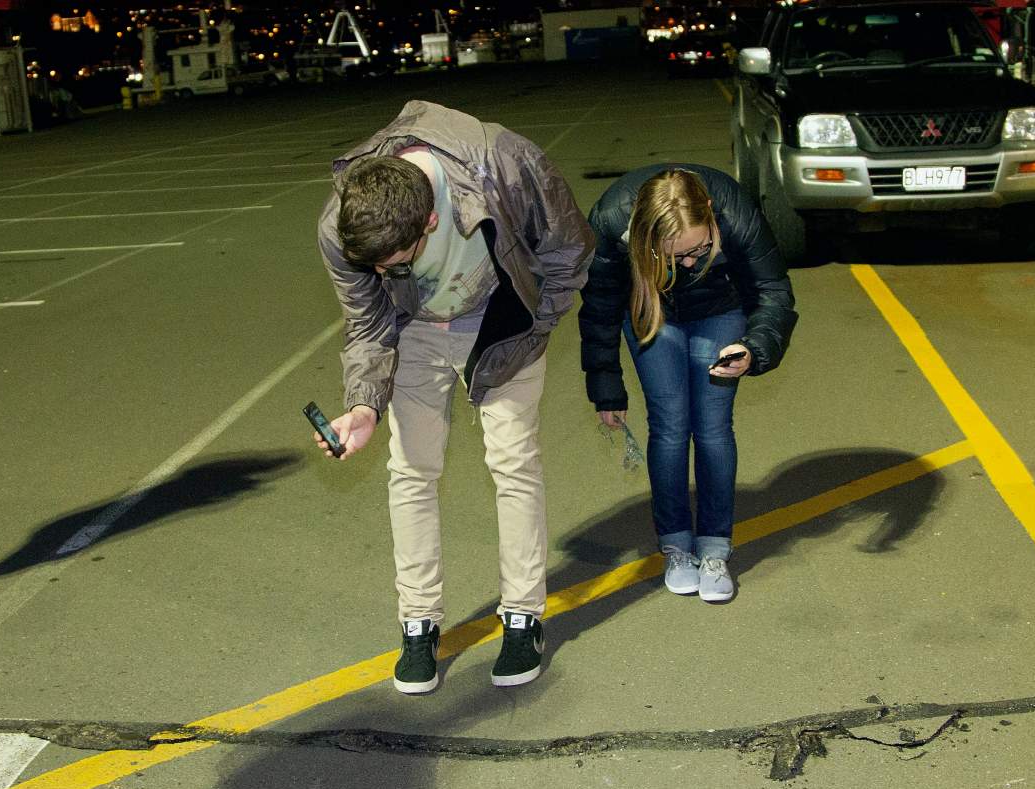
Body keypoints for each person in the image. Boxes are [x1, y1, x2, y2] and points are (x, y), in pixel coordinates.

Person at [315, 101, 594, 693]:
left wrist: (536, 323)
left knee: (514, 464)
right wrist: (365, 404)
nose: (386, 270)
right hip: (415, 328)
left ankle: (523, 616)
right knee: (410, 470)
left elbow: (569, 249)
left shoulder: (503, 162)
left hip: (501, 318)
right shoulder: (343, 226)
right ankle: (418, 623)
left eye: (397, 261)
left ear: (431, 222)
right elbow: (367, 321)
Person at [579, 165, 796, 602]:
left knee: (713, 427)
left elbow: (773, 289)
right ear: (642, 237)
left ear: (712, 215)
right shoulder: (610, 220)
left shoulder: (737, 211)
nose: (690, 262)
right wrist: (606, 386)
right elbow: (599, 304)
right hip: (651, 308)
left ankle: (715, 548)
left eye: (699, 248)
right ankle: (677, 545)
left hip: (721, 309)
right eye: (673, 256)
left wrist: (753, 349)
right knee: (671, 425)